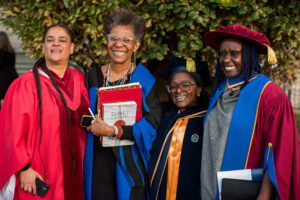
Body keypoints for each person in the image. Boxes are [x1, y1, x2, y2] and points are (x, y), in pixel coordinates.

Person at [201, 24, 300, 200]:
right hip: (210, 188)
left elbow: (278, 155)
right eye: (222, 53)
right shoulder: (220, 91)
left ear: (248, 56)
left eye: (234, 53)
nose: (225, 59)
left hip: (243, 193)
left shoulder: (270, 95)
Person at [0, 24, 90, 199]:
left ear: (71, 48)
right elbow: (11, 132)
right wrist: (24, 169)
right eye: (50, 40)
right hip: (40, 174)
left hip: (78, 173)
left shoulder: (81, 82)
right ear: (43, 47)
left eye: (62, 40)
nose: (56, 44)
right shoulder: (26, 85)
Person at [83, 8, 161, 200]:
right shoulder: (92, 76)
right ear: (107, 41)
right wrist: (89, 124)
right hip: (97, 161)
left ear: (136, 46)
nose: (119, 44)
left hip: (130, 162)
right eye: (113, 38)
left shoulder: (144, 79)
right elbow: (81, 114)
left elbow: (153, 124)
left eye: (127, 40)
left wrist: (115, 131)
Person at [148, 56, 210, 200]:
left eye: (186, 84)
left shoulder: (207, 121)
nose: (178, 90)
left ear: (199, 89)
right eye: (173, 86)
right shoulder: (164, 122)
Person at [0, 31, 18, 106]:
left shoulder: (1, 52)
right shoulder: (11, 51)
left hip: (2, 79)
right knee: (9, 101)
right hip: (12, 78)